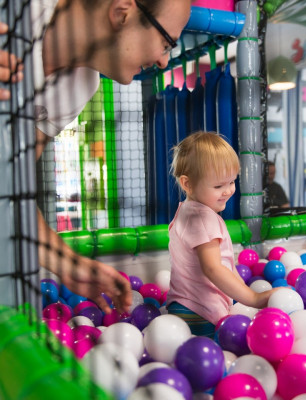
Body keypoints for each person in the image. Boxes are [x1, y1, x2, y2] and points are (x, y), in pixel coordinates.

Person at [1, 0, 192, 313]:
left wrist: (69, 265)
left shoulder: (79, 86)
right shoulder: (24, 10)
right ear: (122, 12)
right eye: (166, 41)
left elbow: (11, 191)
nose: (162, 60)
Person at [166, 132, 281, 337]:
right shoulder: (203, 218)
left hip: (182, 307)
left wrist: (238, 294)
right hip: (202, 313)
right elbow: (213, 268)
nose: (228, 191)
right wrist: (253, 298)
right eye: (218, 186)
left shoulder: (185, 210)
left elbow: (225, 266)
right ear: (187, 184)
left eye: (231, 182)